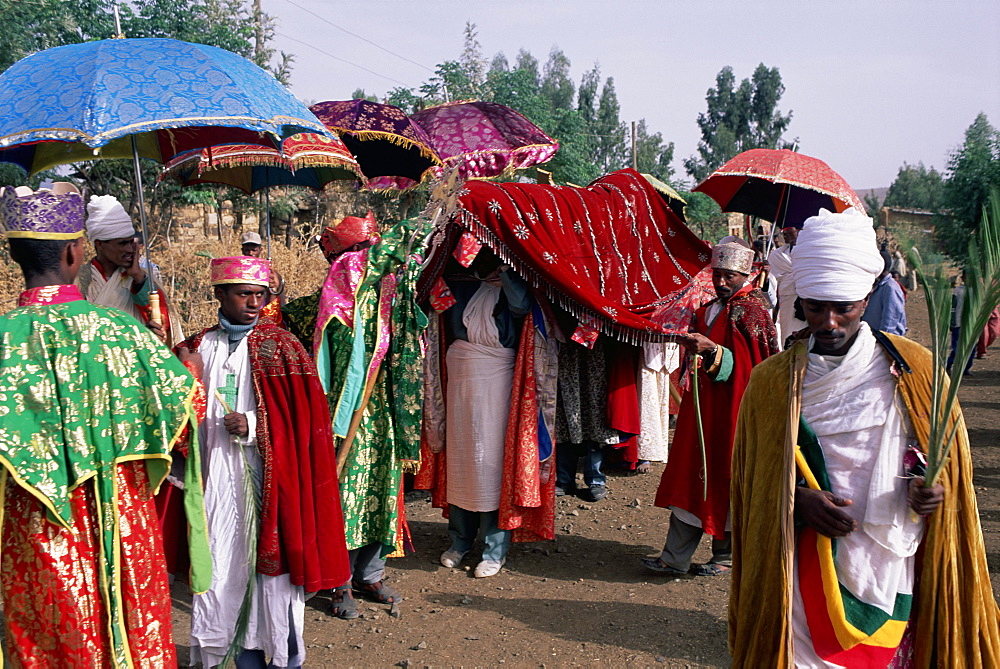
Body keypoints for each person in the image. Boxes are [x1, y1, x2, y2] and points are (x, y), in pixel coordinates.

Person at [729, 207, 1000, 667]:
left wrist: (929, 490)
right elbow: (749, 483)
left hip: (888, 561)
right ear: (802, 302)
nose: (830, 322)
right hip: (800, 565)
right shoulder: (771, 383)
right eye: (816, 307)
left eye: (845, 308)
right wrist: (794, 501)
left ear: (867, 297)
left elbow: (940, 464)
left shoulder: (916, 371)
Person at [0, 183, 204, 666]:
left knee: (45, 628)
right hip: (122, 518)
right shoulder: (123, 335)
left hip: (34, 522)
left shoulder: (5, 341)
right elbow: (184, 419)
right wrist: (189, 371)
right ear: (75, 252)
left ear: (14, 255)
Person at [181, 256, 351, 668]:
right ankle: (223, 654)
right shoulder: (200, 343)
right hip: (212, 479)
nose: (254, 303)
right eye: (244, 294)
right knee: (219, 567)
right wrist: (184, 370)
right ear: (219, 294)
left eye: (260, 295)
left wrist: (255, 424)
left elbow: (307, 421)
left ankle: (276, 656)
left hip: (266, 481)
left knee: (266, 575)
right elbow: (174, 412)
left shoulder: (282, 346)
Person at [284, 212, 424, 619]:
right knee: (343, 496)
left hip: (381, 413)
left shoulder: (392, 299)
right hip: (339, 418)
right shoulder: (324, 305)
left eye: (370, 248)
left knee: (381, 492)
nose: (369, 258)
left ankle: (370, 573)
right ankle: (337, 580)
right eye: (360, 251)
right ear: (340, 260)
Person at [642, 236, 779, 577]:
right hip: (701, 408)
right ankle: (675, 556)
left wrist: (712, 351)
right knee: (692, 471)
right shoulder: (708, 308)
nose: (720, 281)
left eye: (729, 276)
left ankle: (725, 555)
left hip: (735, 411)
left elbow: (754, 368)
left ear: (745, 274)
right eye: (717, 274)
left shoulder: (753, 311)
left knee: (729, 474)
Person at [438, 253, 533, 578]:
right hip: (462, 379)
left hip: (495, 380)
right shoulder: (460, 284)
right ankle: (460, 540)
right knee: (462, 461)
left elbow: (521, 307)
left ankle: (495, 550)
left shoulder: (514, 287)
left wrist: (507, 275)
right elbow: (434, 303)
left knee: (490, 463)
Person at [79, 193, 183, 344]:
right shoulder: (79, 281)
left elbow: (165, 327)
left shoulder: (142, 279)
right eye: (122, 244)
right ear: (100, 244)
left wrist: (139, 279)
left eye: (131, 243)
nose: (130, 249)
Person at [767, 225, 807, 348]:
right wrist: (766, 272)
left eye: (790, 231)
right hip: (787, 302)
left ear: (800, 231)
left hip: (807, 299)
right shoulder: (777, 256)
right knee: (788, 336)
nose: (786, 234)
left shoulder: (811, 253)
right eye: (784, 233)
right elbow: (772, 284)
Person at [240, 230, 285, 323]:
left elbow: (278, 301)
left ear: (260, 250)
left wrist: (273, 288)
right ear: (242, 251)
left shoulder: (270, 273)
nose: (250, 253)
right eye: (247, 250)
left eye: (254, 250)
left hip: (264, 318)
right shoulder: (238, 273)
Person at [861, 249, 907, 335]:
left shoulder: (890, 287)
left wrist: (884, 340)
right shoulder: (880, 285)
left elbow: (890, 320)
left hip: (886, 340)